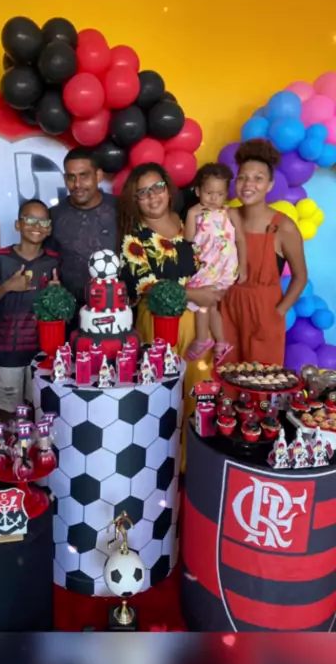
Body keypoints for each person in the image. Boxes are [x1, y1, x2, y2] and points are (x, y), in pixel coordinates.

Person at [118, 162, 225, 468]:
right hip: (158, 322)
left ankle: (194, 468)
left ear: (168, 188)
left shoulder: (190, 220)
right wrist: (195, 295)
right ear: (134, 199)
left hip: (198, 324)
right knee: (161, 396)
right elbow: (145, 286)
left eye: (157, 187)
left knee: (198, 392)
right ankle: (160, 470)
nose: (152, 196)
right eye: (143, 193)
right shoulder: (134, 238)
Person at [220, 138, 307, 365]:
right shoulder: (226, 218)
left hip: (265, 311)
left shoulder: (284, 226)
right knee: (224, 374)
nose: (248, 184)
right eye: (243, 178)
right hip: (226, 307)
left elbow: (300, 276)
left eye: (258, 178)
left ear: (270, 185)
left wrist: (278, 312)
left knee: (261, 379)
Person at [0, 199, 59, 417]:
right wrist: (8, 286)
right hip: (8, 350)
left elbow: (60, 310)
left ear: (49, 229)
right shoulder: (0, 259)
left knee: (40, 409)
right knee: (9, 411)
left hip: (43, 350)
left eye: (43, 222)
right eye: (30, 220)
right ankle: (10, 440)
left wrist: (56, 294)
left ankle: (36, 441)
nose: (37, 226)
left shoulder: (54, 261)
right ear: (18, 224)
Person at [184, 163, 247, 364]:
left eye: (219, 194)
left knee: (205, 304)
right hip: (205, 267)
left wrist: (244, 266)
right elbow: (188, 239)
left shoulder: (230, 213)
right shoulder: (196, 214)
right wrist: (191, 215)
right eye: (209, 193)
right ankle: (221, 341)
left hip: (224, 268)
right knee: (210, 305)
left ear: (226, 194)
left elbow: (241, 239)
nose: (214, 198)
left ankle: (203, 339)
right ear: (198, 191)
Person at [48, 147, 117, 309]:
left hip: (117, 308)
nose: (77, 184)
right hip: (70, 311)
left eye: (84, 176)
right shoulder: (54, 215)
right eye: (71, 177)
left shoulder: (121, 209)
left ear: (98, 176)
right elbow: (41, 259)